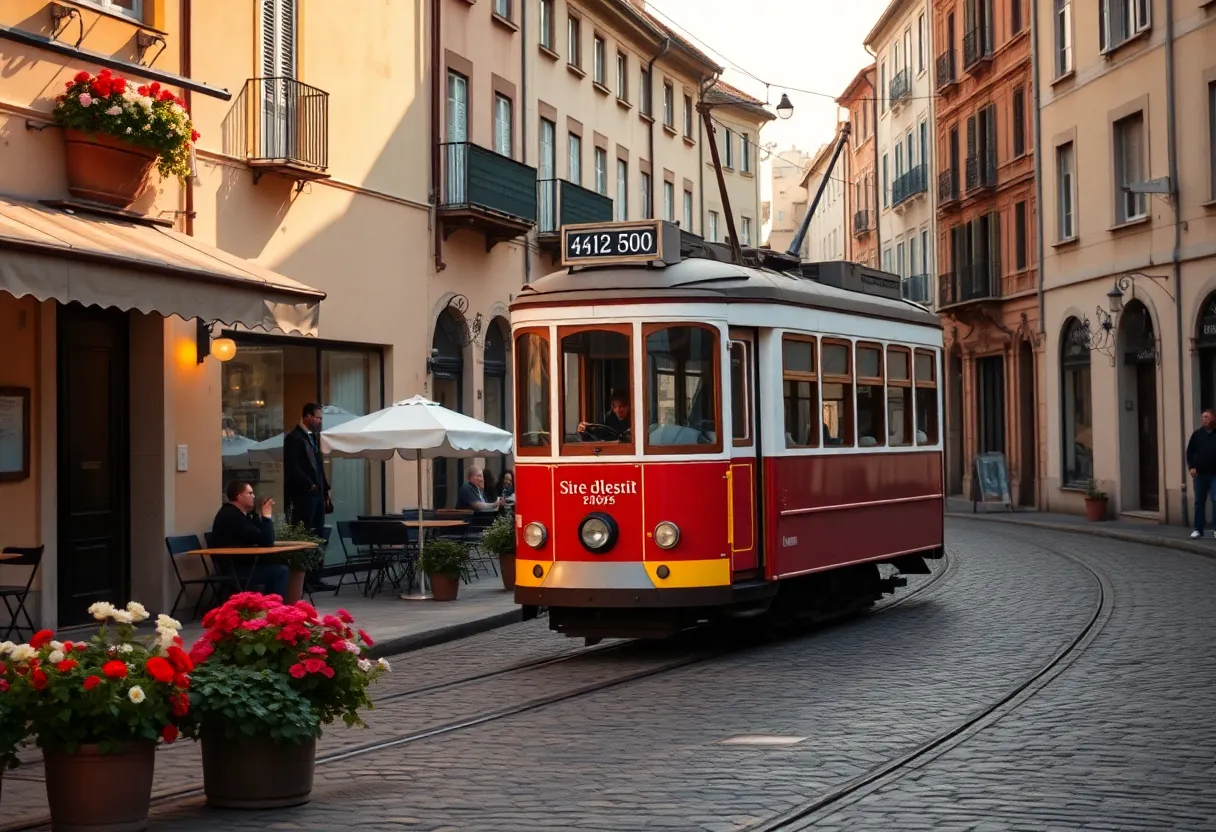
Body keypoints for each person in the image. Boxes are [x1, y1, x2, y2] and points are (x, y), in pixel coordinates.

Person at [283, 403, 336, 591]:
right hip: (303, 496)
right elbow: (293, 467)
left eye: (321, 418)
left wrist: (325, 490)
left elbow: (319, 467)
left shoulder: (313, 438)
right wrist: (310, 485)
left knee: (318, 536)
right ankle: (303, 580)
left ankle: (315, 577)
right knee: (305, 535)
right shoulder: (294, 438)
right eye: (317, 417)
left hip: (317, 496)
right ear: (306, 416)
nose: (319, 421)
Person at [210, 480, 288, 597]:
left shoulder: (239, 514)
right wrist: (266, 516)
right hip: (236, 569)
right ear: (239, 496)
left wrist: (257, 514)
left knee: (278, 564)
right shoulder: (232, 516)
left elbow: (261, 536)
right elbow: (267, 540)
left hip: (242, 565)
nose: (253, 496)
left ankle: (268, 607)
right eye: (250, 493)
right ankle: (273, 609)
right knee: (280, 572)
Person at [1187, 408, 1216, 538]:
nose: (1204, 419)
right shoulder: (1197, 435)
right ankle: (1198, 529)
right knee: (1199, 501)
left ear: (1213, 419)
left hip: (1214, 474)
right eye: (1203, 417)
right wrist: (1191, 467)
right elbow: (1190, 452)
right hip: (1200, 474)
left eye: (1207, 417)